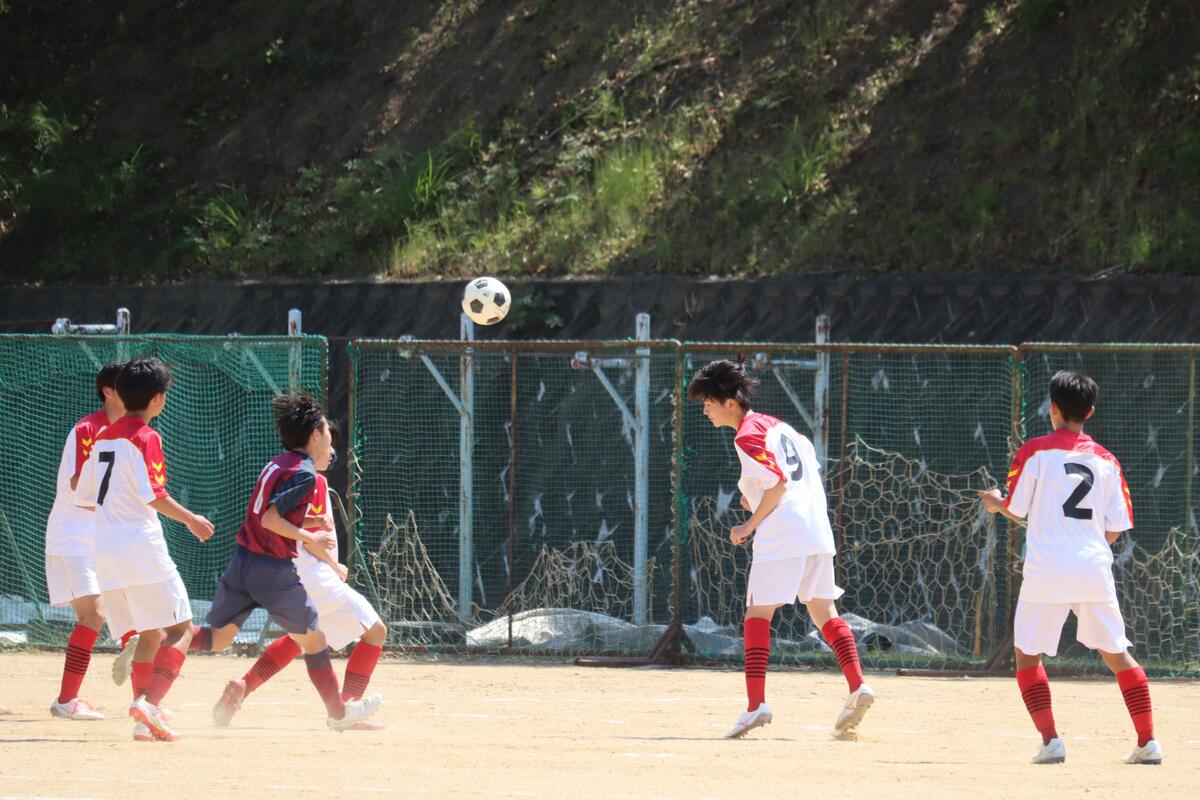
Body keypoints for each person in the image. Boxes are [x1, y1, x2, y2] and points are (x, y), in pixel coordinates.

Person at [980, 370, 1162, 765]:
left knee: (1027, 656)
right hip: (1093, 565)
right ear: (1090, 412)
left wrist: (994, 501)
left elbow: (1016, 508)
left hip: (1047, 567)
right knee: (1118, 654)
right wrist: (1087, 547)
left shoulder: (1035, 451)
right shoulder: (1107, 461)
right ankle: (1148, 742)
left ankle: (1051, 742)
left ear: (1052, 408)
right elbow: (1116, 526)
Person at [688, 357, 874, 739]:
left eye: (708, 402)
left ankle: (756, 705)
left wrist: (748, 525)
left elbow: (778, 484)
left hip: (783, 533)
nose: (705, 410)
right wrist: (757, 500)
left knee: (757, 613)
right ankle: (858, 686)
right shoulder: (781, 427)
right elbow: (798, 476)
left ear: (729, 402)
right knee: (824, 610)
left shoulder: (746, 435)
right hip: (817, 529)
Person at [195, 392, 381, 732]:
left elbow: (287, 520)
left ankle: (243, 686)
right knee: (375, 630)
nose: (332, 448)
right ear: (314, 437)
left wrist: (312, 537)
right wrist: (333, 564)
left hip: (285, 571)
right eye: (328, 438)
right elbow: (296, 531)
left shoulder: (285, 467)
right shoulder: (311, 479)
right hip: (311, 574)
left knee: (301, 639)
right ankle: (346, 710)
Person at [76, 357, 215, 741]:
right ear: (157, 399)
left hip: (105, 552)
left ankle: (143, 720)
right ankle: (150, 703)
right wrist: (190, 519)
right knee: (182, 629)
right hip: (140, 545)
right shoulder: (146, 437)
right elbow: (153, 494)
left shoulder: (102, 437)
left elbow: (84, 496)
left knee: (150, 633)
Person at [46, 361, 128, 721]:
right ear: (107, 391)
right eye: (124, 385)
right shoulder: (89, 429)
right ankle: (67, 701)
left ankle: (146, 698)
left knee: (127, 609)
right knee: (93, 614)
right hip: (73, 537)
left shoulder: (129, 432)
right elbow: (80, 484)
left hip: (102, 540)